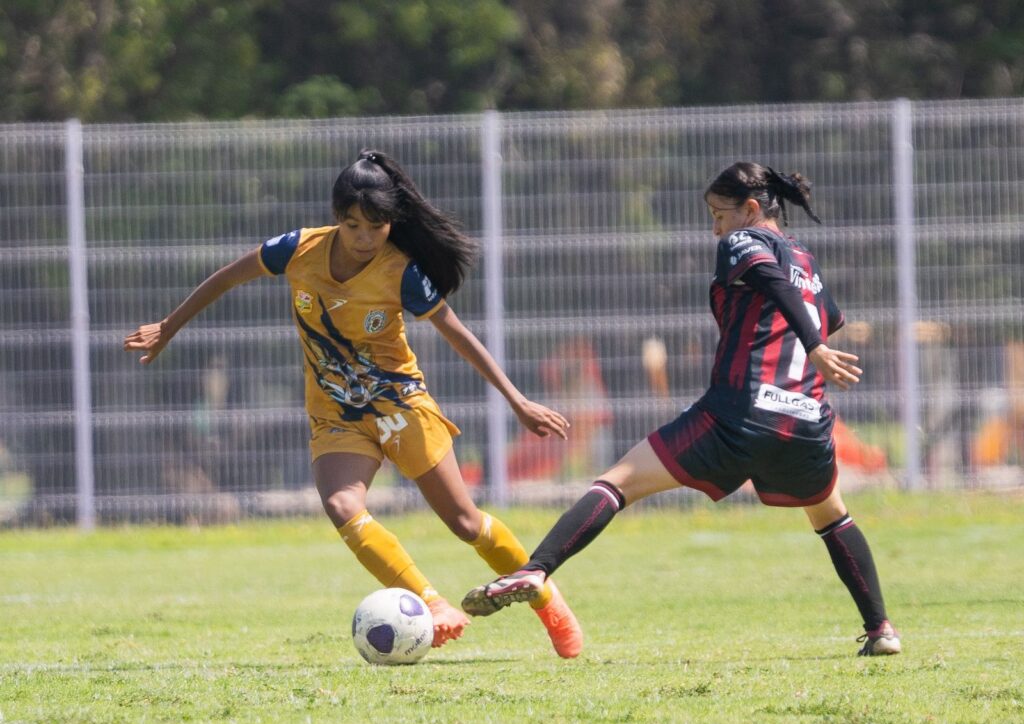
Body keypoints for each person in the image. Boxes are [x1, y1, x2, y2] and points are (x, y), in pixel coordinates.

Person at [124, 149, 583, 658]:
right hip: (336, 413)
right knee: (343, 505)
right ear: (336, 217)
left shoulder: (401, 272)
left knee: (465, 523)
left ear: (391, 223)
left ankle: (546, 597)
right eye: (353, 225)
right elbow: (227, 277)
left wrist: (517, 401)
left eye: (377, 226)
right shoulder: (296, 250)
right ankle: (432, 604)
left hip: (400, 405)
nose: (365, 238)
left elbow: (458, 334)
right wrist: (169, 327)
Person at [462, 161, 901, 658]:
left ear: (751, 209)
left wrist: (813, 345)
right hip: (805, 422)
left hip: (738, 413)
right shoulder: (809, 262)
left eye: (719, 214)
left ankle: (534, 570)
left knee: (617, 482)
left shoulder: (743, 242)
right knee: (832, 517)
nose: (715, 227)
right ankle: (880, 627)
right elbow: (828, 314)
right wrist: (814, 347)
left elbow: (775, 285)